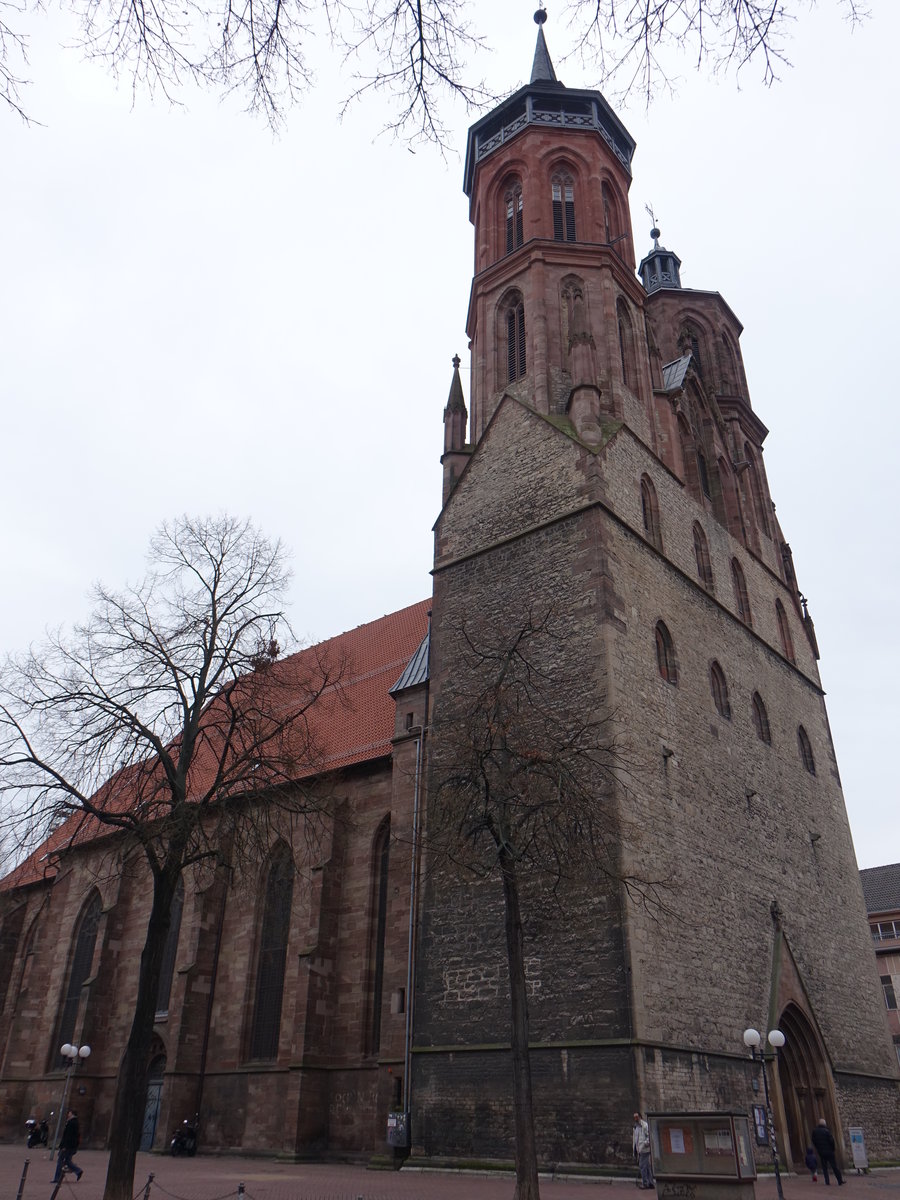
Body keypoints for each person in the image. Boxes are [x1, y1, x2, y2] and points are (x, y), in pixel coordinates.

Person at [53, 1109, 83, 1183]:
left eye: (69, 1113)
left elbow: (68, 1136)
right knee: (67, 1160)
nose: (68, 1114)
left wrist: (64, 1146)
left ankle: (57, 1178)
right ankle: (78, 1171)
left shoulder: (71, 1123)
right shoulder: (75, 1123)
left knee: (61, 1160)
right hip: (71, 1146)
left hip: (67, 1146)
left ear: (72, 1114)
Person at [811, 1119, 844, 1186]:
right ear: (824, 1124)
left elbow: (813, 1140)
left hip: (821, 1152)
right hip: (829, 1151)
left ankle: (827, 1181)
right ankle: (839, 1180)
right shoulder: (827, 1131)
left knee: (824, 1167)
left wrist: (818, 1148)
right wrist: (833, 1149)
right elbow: (832, 1141)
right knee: (834, 1166)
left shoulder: (815, 1131)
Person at [633, 1111, 655, 1190]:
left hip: (645, 1150)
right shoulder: (636, 1127)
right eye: (634, 1117)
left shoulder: (645, 1125)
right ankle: (651, 1183)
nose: (635, 1118)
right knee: (647, 1167)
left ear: (640, 1117)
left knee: (642, 1166)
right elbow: (636, 1139)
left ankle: (645, 1183)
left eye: (636, 1117)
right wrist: (635, 1149)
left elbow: (649, 1136)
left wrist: (645, 1144)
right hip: (640, 1150)